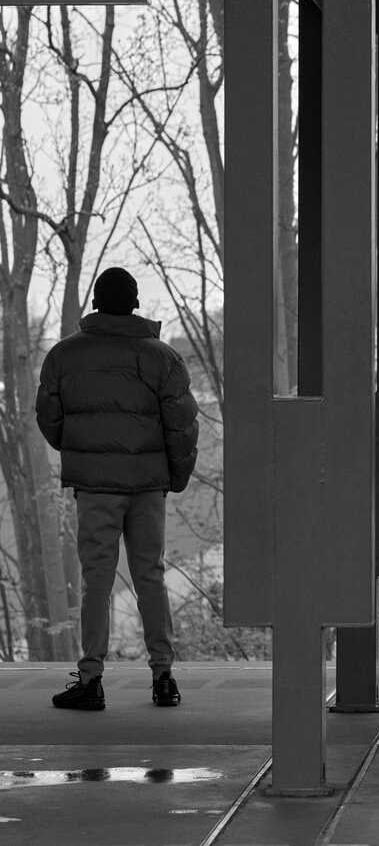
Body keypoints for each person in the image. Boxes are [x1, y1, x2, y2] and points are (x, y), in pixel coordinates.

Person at [36, 267, 199, 712]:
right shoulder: (162, 358)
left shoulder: (63, 357)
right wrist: (175, 476)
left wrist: (85, 451)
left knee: (97, 583)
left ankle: (91, 681)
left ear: (95, 302)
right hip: (147, 488)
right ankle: (164, 678)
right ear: (134, 304)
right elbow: (182, 427)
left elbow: (49, 419)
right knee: (150, 576)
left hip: (95, 490)